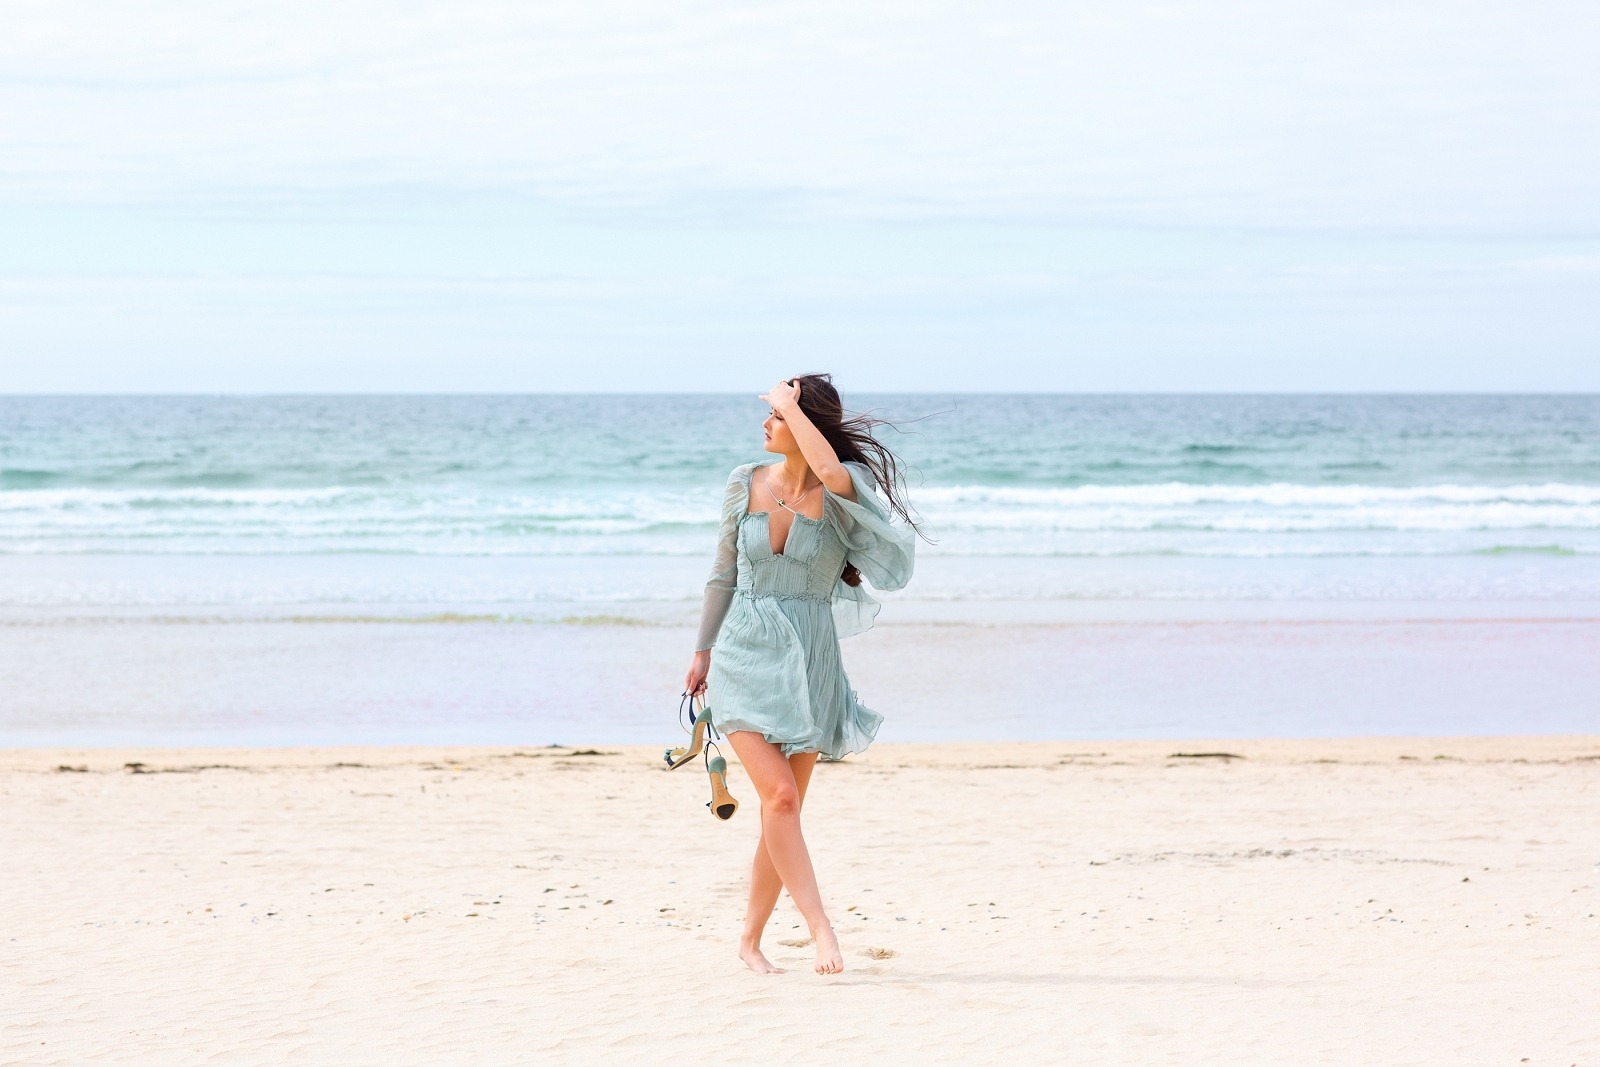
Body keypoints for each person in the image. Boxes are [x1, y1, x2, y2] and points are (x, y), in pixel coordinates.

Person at [683, 373, 918, 976]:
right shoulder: (744, 482)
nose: (766, 423)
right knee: (780, 797)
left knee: (779, 812)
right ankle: (822, 930)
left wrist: (794, 402)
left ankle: (749, 940)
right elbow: (722, 574)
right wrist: (702, 651)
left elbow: (828, 468)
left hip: (812, 659)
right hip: (743, 649)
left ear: (805, 423)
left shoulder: (845, 489)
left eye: (778, 415)